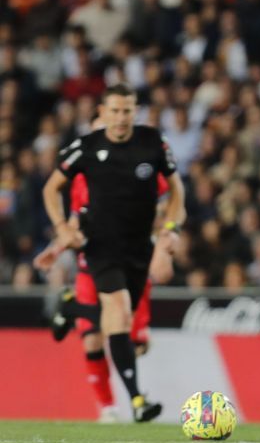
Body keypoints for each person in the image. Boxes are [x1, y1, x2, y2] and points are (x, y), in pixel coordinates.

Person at [40, 83, 184, 423]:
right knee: (115, 314)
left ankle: (71, 305)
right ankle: (135, 401)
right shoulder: (87, 147)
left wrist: (168, 236)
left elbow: (176, 194)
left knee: (123, 326)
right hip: (99, 248)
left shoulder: (153, 143)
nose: (121, 118)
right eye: (115, 111)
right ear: (102, 113)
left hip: (139, 251)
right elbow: (52, 188)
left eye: (127, 111)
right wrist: (61, 231)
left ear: (136, 112)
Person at [35, 166, 174, 422]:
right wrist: (56, 250)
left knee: (137, 343)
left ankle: (71, 308)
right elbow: (76, 222)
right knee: (93, 338)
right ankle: (111, 407)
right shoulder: (83, 173)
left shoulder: (143, 163)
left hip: (133, 263)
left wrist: (163, 245)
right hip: (96, 263)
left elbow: (163, 208)